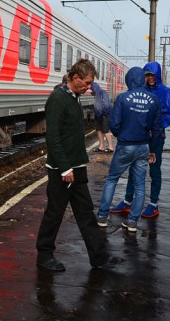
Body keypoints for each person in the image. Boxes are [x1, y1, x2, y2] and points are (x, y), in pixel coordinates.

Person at [36, 58, 109, 271]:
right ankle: (44, 255)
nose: (89, 87)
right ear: (75, 78)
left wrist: (75, 166)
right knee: (55, 212)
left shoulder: (74, 97)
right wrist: (65, 167)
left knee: (85, 212)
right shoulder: (58, 99)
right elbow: (54, 138)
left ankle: (99, 257)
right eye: (86, 83)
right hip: (63, 170)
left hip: (76, 167)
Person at [96, 67, 162, 232]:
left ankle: (102, 216)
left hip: (125, 145)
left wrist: (121, 135)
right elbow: (157, 128)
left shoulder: (123, 98)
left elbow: (114, 123)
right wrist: (152, 148)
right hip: (143, 147)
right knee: (140, 186)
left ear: (129, 79)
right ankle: (132, 222)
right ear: (142, 79)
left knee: (112, 179)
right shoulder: (153, 99)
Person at [110, 61, 170, 218]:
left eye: (153, 75)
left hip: (156, 137)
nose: (150, 78)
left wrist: (156, 126)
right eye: (147, 75)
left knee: (154, 170)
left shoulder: (165, 92)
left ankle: (153, 204)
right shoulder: (142, 91)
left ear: (158, 75)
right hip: (141, 137)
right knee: (134, 170)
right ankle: (127, 201)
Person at [91, 81, 114, 153]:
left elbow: (106, 105)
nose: (91, 91)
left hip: (104, 115)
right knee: (99, 130)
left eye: (92, 89)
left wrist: (104, 114)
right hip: (99, 115)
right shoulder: (96, 94)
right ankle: (101, 146)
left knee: (105, 130)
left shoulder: (102, 93)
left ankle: (111, 147)